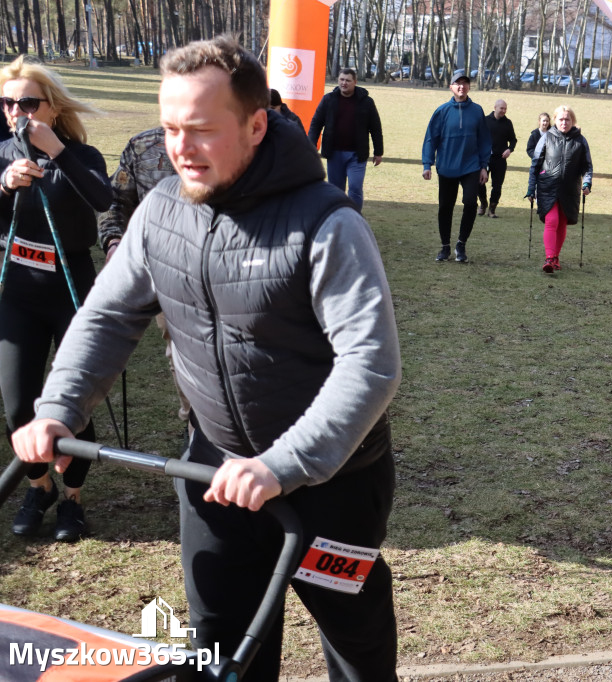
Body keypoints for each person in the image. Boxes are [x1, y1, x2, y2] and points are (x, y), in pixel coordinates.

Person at [12, 36, 401, 681]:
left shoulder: (327, 224)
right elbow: (108, 316)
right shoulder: (161, 211)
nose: (180, 149)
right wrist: (58, 408)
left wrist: (284, 464)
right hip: (212, 473)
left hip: (332, 486)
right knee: (221, 651)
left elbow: (369, 362)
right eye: (169, 128)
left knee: (354, 644)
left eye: (200, 130)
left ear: (254, 125)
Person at [0, 55, 112, 542]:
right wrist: (3, 183)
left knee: (72, 401)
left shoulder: (81, 155)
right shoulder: (2, 150)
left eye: (26, 102)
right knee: (18, 402)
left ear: (50, 106)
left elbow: (102, 200)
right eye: (7, 103)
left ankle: (72, 497)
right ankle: (39, 486)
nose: (15, 111)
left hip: (71, 287)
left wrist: (56, 152)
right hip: (17, 291)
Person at [97, 127, 190, 427]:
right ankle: (195, 428)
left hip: (232, 273)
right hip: (166, 273)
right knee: (181, 353)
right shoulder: (143, 147)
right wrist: (113, 241)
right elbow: (114, 201)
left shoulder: (240, 139)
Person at [421, 71, 490, 263]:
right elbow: (430, 138)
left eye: (465, 83)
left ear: (469, 87)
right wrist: (427, 164)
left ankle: (461, 244)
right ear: (451, 87)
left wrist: (484, 166)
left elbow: (484, 140)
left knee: (470, 203)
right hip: (447, 167)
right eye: (457, 83)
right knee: (445, 206)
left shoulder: (477, 111)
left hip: (471, 166)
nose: (461, 86)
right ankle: (445, 247)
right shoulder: (442, 111)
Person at [525, 105, 593, 274]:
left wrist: (587, 183)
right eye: (561, 119)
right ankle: (549, 258)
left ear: (573, 121)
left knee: (562, 222)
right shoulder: (546, 137)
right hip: (547, 187)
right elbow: (535, 164)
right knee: (552, 220)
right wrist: (530, 188)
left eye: (567, 119)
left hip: (570, 189)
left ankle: (555, 257)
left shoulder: (580, 140)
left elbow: (587, 166)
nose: (564, 122)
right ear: (555, 120)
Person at [308, 67, 384, 212]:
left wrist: (378, 151)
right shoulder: (328, 99)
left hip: (357, 155)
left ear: (355, 82)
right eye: (341, 80)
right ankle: (337, 219)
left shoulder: (366, 102)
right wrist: (310, 146)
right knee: (336, 190)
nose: (344, 83)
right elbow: (316, 123)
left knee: (355, 187)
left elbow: (375, 128)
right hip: (334, 153)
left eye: (348, 80)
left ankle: (355, 219)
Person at [477, 99, 516, 218]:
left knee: (497, 185)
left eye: (505, 109)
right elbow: (478, 137)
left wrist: (509, 149)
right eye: (501, 108)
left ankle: (492, 209)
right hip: (485, 158)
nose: (504, 111)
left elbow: (513, 140)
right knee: (480, 182)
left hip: (500, 159)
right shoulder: (485, 120)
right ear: (495, 107)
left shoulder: (508, 123)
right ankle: (483, 203)